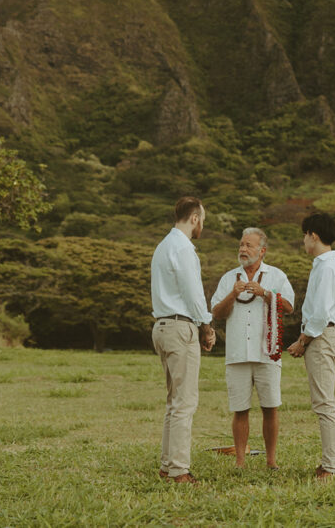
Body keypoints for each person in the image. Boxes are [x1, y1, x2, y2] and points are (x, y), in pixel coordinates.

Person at [210, 227, 295, 470]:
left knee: (270, 406)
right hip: (237, 353)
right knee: (240, 409)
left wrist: (266, 293)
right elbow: (216, 313)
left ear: (262, 251)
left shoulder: (277, 276)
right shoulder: (229, 278)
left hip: (267, 351)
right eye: (241, 245)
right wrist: (231, 295)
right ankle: (240, 462)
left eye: (248, 245)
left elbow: (289, 307)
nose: (243, 249)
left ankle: (271, 461)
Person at [151, 196, 216, 484]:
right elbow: (193, 292)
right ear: (194, 218)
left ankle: (168, 465)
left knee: (173, 400)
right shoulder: (184, 248)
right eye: (202, 219)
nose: (202, 224)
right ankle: (178, 470)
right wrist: (207, 325)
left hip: (162, 327)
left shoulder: (163, 246)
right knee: (184, 402)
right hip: (180, 327)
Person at [286, 212, 335, 480]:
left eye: (305, 235)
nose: (304, 241)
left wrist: (302, 341)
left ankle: (331, 467)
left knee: (324, 403)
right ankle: (329, 464)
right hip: (321, 336)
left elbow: (319, 314)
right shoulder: (324, 265)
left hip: (321, 337)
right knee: (323, 402)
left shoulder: (327, 267)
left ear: (314, 235)